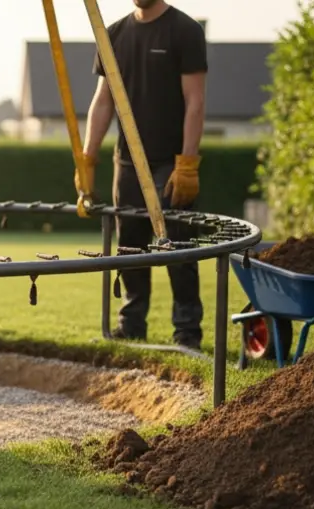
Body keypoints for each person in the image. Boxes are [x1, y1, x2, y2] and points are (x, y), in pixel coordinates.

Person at [78, 0, 208, 349]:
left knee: (179, 249)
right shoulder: (113, 35)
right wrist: (87, 159)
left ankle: (187, 332)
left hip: (171, 163)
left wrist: (187, 163)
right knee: (130, 248)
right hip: (127, 164)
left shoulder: (184, 31)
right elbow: (103, 100)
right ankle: (131, 325)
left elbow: (195, 101)